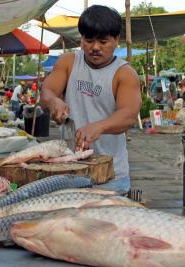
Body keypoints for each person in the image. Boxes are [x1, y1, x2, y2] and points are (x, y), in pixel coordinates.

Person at [41, 5, 141, 195]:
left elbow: (128, 115)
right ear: (81, 39)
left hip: (110, 176)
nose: (95, 47)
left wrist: (98, 127)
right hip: (70, 170)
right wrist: (54, 101)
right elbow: (47, 92)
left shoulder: (125, 74)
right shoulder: (68, 62)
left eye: (103, 41)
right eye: (89, 40)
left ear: (116, 40)